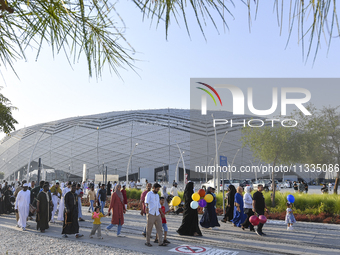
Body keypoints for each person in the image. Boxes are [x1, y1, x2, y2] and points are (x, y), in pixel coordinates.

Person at [145, 183, 167, 247]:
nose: (158, 190)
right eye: (157, 189)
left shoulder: (157, 195)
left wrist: (162, 213)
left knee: (159, 228)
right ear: (154, 188)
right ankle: (147, 242)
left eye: (159, 189)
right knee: (149, 228)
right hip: (151, 213)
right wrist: (146, 207)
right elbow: (146, 202)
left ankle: (160, 242)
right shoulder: (149, 194)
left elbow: (159, 205)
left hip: (157, 214)